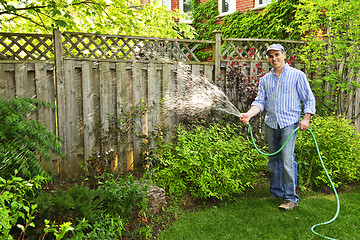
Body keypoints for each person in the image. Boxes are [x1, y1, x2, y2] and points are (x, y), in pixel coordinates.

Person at [240, 44, 316, 210]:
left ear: (284, 55)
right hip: (271, 123)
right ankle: (275, 192)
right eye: (270, 56)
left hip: (289, 124)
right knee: (273, 160)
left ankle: (290, 198)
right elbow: (259, 102)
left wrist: (306, 118)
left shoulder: (297, 75)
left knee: (287, 160)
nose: (274, 59)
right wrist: (249, 114)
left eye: (277, 55)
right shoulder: (265, 80)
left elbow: (309, 99)